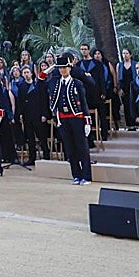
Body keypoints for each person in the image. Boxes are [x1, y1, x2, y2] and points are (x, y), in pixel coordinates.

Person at [39, 54, 91, 185]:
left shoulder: (77, 83)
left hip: (77, 118)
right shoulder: (55, 83)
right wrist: (51, 68)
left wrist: (87, 122)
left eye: (65, 67)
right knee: (69, 148)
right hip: (62, 119)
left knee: (82, 147)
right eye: (60, 68)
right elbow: (40, 80)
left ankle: (86, 176)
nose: (63, 70)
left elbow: (84, 103)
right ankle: (76, 175)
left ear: (70, 68)